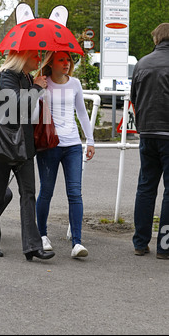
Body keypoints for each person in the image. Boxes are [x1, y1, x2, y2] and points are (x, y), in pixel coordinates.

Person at [0, 49, 55, 261]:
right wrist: (35, 88)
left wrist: (37, 88)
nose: (38, 59)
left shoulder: (27, 77)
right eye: (35, 56)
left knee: (29, 194)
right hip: (3, 145)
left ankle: (32, 246)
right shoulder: (7, 75)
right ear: (23, 57)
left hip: (24, 145)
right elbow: (14, 104)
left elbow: (28, 108)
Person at [35, 51, 95, 258]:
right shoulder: (43, 82)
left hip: (72, 145)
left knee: (75, 193)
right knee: (46, 191)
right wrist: (36, 88)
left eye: (68, 59)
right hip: (49, 145)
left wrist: (90, 140)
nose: (66, 63)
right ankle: (42, 236)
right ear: (51, 63)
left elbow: (82, 113)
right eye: (61, 59)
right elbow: (33, 113)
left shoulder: (75, 84)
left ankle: (77, 243)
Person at [130, 23, 169, 259]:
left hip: (147, 133)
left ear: (156, 39)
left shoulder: (141, 63)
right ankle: (165, 246)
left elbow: (134, 97)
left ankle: (140, 241)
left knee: (146, 186)